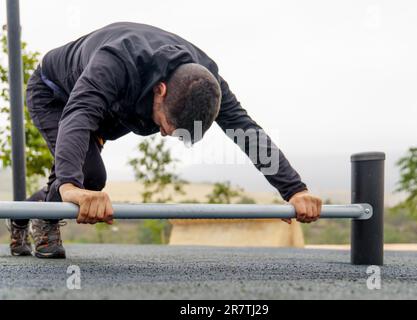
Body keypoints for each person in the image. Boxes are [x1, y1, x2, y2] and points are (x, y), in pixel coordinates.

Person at [7, 22, 322, 259]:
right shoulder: (116, 60)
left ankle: (20, 212)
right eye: (168, 124)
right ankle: (44, 221)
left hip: (112, 108)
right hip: (55, 94)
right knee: (90, 178)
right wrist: (71, 186)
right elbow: (78, 113)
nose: (166, 134)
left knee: (85, 176)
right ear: (161, 91)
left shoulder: (205, 81)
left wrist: (295, 190)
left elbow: (247, 131)